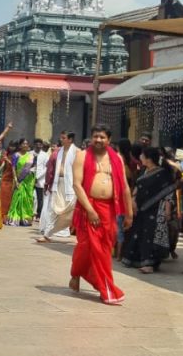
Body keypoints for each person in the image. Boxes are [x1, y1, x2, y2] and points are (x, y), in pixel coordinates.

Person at [68, 124, 132, 305]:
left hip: (109, 210)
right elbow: (77, 184)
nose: (98, 140)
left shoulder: (116, 158)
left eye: (102, 137)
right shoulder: (82, 156)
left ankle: (76, 272)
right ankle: (106, 289)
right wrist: (90, 210)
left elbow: (125, 187)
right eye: (96, 136)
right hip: (89, 207)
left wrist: (129, 213)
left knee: (103, 248)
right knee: (89, 246)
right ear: (91, 137)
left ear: (109, 140)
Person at [122, 146, 177, 273]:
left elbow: (168, 193)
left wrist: (167, 212)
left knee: (150, 235)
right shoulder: (143, 171)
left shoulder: (162, 174)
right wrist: (133, 201)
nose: (140, 157)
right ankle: (137, 260)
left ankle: (150, 264)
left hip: (156, 210)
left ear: (149, 159)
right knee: (139, 233)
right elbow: (137, 187)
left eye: (142, 155)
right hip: (141, 209)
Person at [37, 131, 78, 242]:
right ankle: (47, 235)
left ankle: (79, 234)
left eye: (64, 138)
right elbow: (50, 169)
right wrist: (48, 183)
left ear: (70, 139)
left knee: (72, 210)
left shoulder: (77, 152)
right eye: (61, 137)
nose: (61, 140)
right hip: (57, 183)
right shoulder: (58, 152)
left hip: (71, 185)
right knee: (52, 209)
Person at [6, 139, 36, 227]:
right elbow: (13, 168)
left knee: (27, 200)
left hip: (28, 181)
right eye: (23, 144)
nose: (25, 145)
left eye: (27, 144)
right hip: (19, 180)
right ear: (20, 146)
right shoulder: (16, 155)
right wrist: (16, 180)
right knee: (17, 199)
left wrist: (32, 171)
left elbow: (34, 167)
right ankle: (15, 218)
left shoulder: (31, 156)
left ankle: (25, 219)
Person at [0, 142, 17, 222]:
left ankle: (6, 216)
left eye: (13, 146)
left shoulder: (16, 156)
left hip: (12, 179)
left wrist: (8, 161)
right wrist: (2, 158)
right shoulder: (5, 154)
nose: (11, 148)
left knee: (9, 199)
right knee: (2, 197)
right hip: (4, 178)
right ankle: (0, 215)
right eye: (10, 146)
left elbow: (15, 167)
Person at [34, 139, 50, 221]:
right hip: (30, 179)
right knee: (31, 197)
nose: (38, 146)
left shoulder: (45, 155)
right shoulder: (30, 154)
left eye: (40, 144)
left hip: (40, 180)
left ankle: (38, 215)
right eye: (36, 144)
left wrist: (37, 177)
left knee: (40, 198)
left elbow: (46, 168)